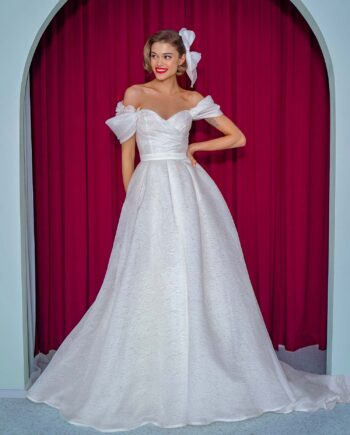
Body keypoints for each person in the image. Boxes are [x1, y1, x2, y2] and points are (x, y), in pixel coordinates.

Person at [26, 27, 350, 433]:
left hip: (190, 194)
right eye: (155, 55)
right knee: (147, 277)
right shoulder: (135, 95)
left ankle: (202, 361)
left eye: (168, 56)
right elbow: (127, 157)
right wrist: (134, 202)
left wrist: (195, 148)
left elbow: (237, 136)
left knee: (197, 274)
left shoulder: (192, 100)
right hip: (150, 192)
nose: (160, 62)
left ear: (182, 61)